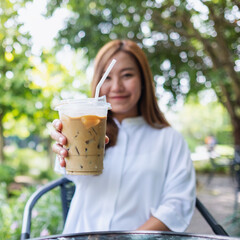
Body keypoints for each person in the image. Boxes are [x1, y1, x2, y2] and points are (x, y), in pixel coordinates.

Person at [50, 39, 196, 233]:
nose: (117, 86)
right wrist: (64, 147)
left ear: (143, 81)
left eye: (127, 75)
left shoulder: (169, 140)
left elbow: (177, 205)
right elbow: (71, 173)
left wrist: (130, 238)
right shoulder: (88, 132)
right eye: (107, 78)